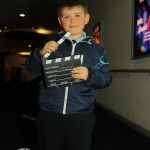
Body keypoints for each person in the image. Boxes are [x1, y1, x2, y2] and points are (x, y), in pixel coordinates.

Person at [25, 0, 112, 150]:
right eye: (66, 16)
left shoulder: (95, 50)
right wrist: (40, 54)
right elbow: (32, 69)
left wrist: (89, 75)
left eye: (77, 15)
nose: (72, 21)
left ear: (86, 18)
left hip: (81, 114)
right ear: (60, 20)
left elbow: (106, 78)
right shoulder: (51, 45)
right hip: (49, 113)